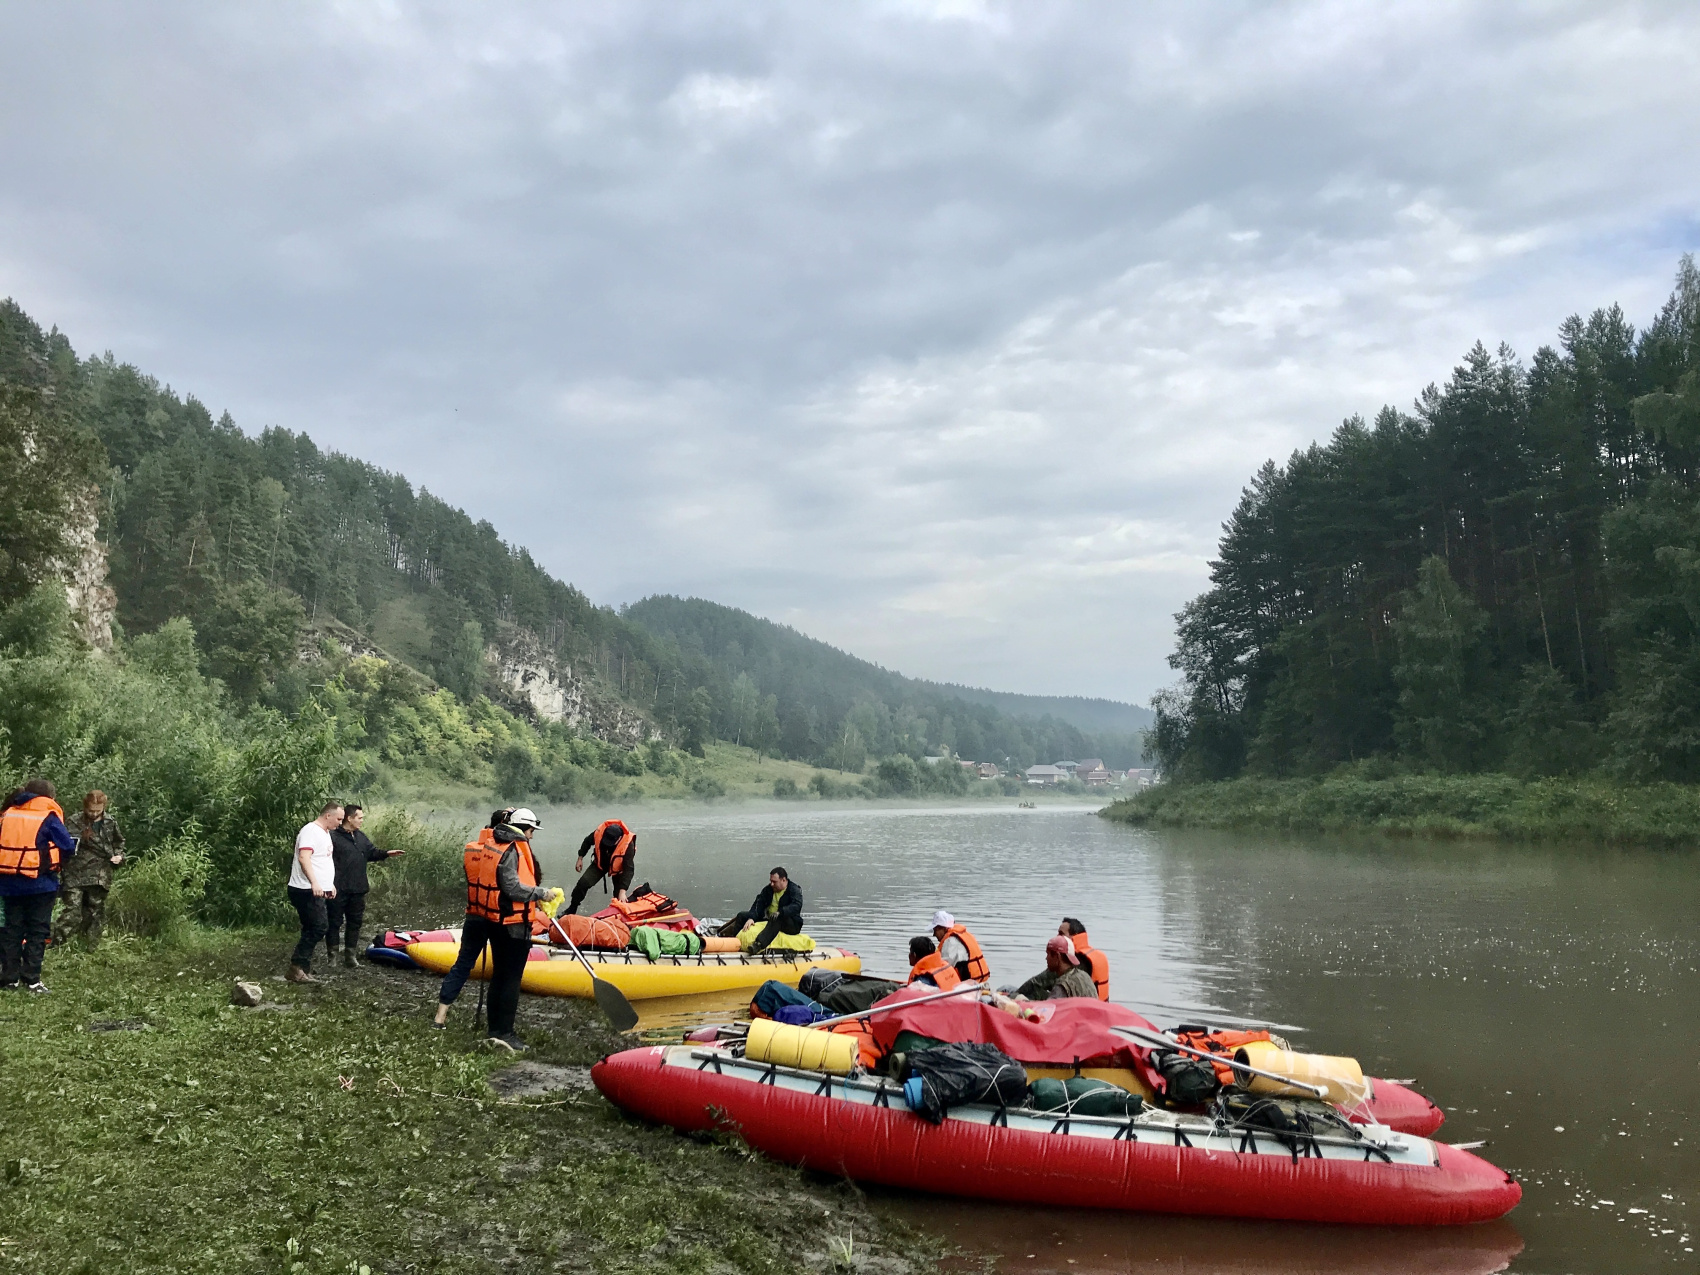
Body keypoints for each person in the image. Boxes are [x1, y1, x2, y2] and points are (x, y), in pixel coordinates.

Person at [432, 808, 562, 1051]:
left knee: (499, 977)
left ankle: (493, 1029)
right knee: (509, 979)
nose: (532, 836)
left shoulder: (491, 844)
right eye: (532, 831)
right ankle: (505, 1033)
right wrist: (542, 893)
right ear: (524, 828)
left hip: (488, 918)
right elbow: (512, 888)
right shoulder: (512, 848)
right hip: (511, 924)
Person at [0, 778, 78, 993]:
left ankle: (9, 979)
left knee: (11, 930)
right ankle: (32, 980)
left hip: (8, 884)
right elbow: (68, 846)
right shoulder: (48, 815)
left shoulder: (8, 814)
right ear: (48, 797)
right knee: (37, 931)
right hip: (41, 885)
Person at [325, 803, 404, 967]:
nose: (362, 821)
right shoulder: (332, 837)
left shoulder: (360, 837)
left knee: (355, 922)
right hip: (337, 888)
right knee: (334, 922)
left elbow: (371, 852)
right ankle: (332, 957)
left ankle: (350, 956)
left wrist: (386, 854)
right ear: (349, 818)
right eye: (359, 818)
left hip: (358, 888)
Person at [53, 790, 126, 949]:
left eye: (97, 811)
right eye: (90, 810)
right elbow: (65, 845)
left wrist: (119, 856)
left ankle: (89, 946)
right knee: (72, 911)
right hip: (75, 872)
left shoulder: (110, 822)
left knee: (94, 911)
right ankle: (56, 944)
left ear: (104, 807)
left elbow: (118, 843)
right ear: (85, 807)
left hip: (100, 874)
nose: (93, 814)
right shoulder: (74, 821)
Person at [286, 801, 342, 984]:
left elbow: (322, 861)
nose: (340, 823)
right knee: (318, 927)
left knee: (312, 927)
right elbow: (304, 858)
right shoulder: (310, 831)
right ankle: (296, 967)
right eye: (339, 819)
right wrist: (315, 883)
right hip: (304, 889)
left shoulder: (324, 833)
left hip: (316, 888)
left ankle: (302, 968)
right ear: (328, 816)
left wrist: (329, 884)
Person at [718, 867, 803, 952]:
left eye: (774, 882)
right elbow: (758, 904)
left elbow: (796, 906)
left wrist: (780, 912)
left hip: (791, 923)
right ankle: (735, 942)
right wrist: (751, 918)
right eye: (771, 881)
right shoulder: (768, 890)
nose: (772, 884)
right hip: (770, 919)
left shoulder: (794, 890)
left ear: (783, 880)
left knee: (777, 919)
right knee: (742, 915)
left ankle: (758, 945)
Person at [565, 818, 636, 915]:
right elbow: (587, 842)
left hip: (619, 870)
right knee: (582, 884)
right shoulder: (599, 833)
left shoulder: (628, 845)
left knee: (618, 898)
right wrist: (580, 858)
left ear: (619, 839)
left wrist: (622, 891)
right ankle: (572, 909)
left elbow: (629, 869)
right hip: (600, 864)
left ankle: (616, 916)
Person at [1016, 934, 1098, 1001]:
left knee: (1015, 995)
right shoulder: (1084, 976)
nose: (1046, 958)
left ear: (1057, 956)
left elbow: (1048, 1011)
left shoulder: (1062, 986)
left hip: (1074, 1020)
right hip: (1089, 1019)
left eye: (1048, 954)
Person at [930, 909, 990, 983]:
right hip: (979, 981)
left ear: (943, 928)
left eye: (935, 930)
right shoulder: (965, 935)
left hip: (967, 985)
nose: (934, 934)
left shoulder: (950, 941)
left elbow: (943, 969)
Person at [1060, 916, 1110, 1001]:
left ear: (1073, 937)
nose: (1057, 937)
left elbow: (1040, 982)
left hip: (1087, 1010)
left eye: (1061, 934)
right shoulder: (1098, 955)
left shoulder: (1076, 960)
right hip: (1102, 1008)